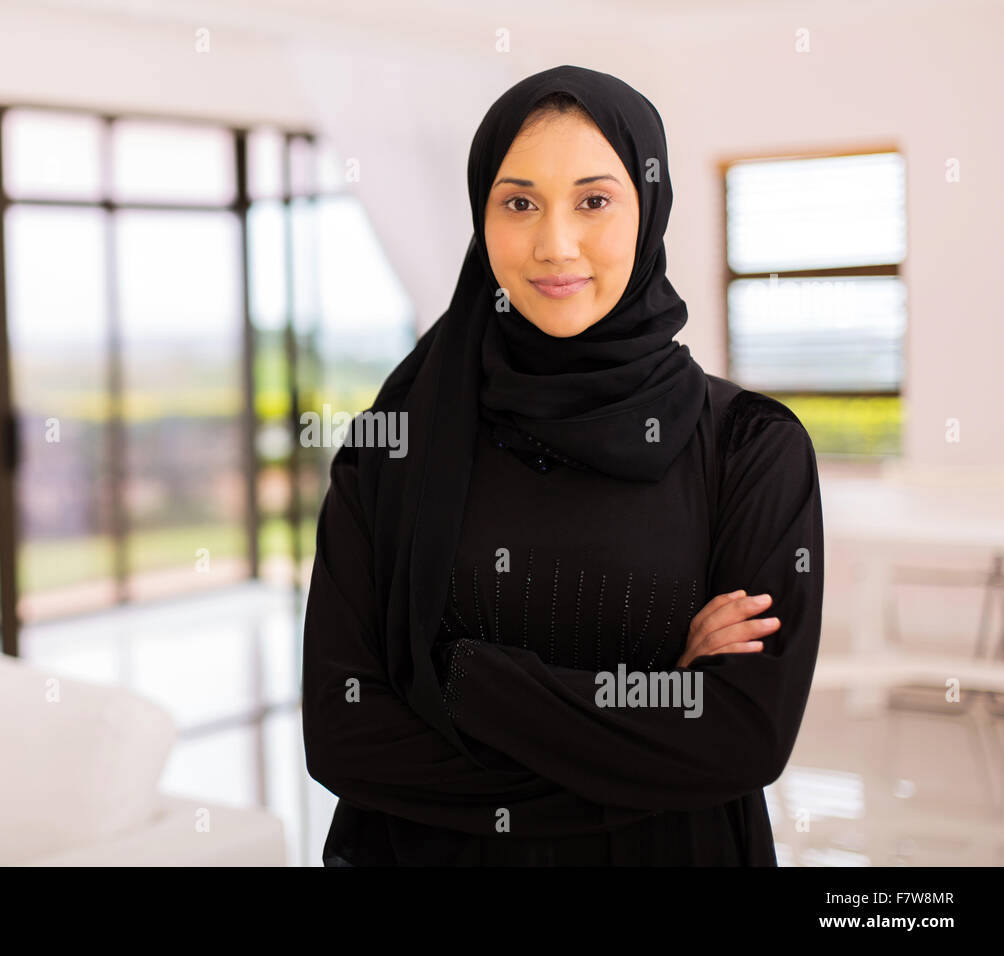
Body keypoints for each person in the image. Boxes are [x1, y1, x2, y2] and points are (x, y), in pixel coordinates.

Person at [300, 64, 825, 866]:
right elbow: (343, 737)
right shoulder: (395, 442)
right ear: (482, 215)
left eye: (594, 200)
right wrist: (652, 712)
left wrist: (464, 680)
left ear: (649, 209)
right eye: (518, 203)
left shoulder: (752, 446)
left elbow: (739, 741)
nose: (554, 244)